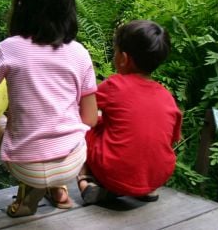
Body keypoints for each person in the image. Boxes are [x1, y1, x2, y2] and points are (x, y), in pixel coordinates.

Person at [0, 0, 98, 217]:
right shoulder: (80, 52)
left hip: (26, 165)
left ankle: (28, 200)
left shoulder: (9, 49)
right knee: (51, 126)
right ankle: (59, 191)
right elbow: (89, 119)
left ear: (22, 6)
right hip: (72, 162)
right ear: (69, 10)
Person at [77, 20, 182, 205]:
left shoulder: (115, 85)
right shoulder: (167, 97)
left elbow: (83, 107)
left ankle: (86, 181)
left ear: (124, 58)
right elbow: (171, 139)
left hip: (114, 173)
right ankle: (144, 189)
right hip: (156, 176)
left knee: (87, 126)